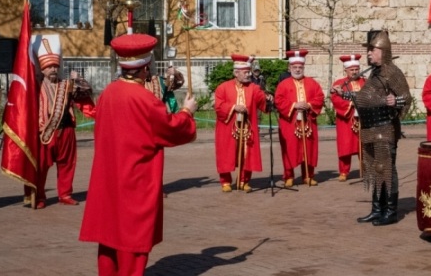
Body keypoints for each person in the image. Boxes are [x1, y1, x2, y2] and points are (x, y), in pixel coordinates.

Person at [79, 33, 197, 276]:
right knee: (133, 242)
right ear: (145, 67)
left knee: (109, 239)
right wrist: (187, 111)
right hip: (136, 179)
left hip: (109, 177)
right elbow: (171, 129)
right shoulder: (143, 98)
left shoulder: (109, 92)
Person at [333, 30, 412, 226]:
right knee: (375, 171)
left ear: (383, 51)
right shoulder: (374, 73)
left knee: (386, 170)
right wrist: (343, 94)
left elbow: (407, 98)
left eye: (372, 50)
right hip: (370, 129)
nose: (368, 54)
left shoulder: (393, 72)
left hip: (385, 128)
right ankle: (377, 210)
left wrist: (397, 101)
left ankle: (391, 212)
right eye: (368, 50)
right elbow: (366, 98)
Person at [30, 35, 95, 208]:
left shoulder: (67, 84)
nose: (52, 69)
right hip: (44, 133)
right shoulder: (35, 86)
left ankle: (65, 194)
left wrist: (78, 78)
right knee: (41, 167)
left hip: (66, 130)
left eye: (55, 66)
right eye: (49, 66)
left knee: (67, 164)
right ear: (42, 69)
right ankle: (40, 197)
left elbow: (87, 92)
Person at [213, 54, 266, 192]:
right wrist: (233, 107)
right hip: (227, 127)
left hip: (248, 127)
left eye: (249, 72)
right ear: (236, 73)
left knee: (247, 154)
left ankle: (244, 180)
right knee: (226, 153)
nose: (249, 75)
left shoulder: (254, 88)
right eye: (245, 72)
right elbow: (218, 106)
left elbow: (262, 102)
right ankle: (225, 182)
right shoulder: (223, 87)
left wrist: (268, 98)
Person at [273, 49, 325, 187]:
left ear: (303, 67)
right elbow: (278, 100)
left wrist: (308, 105)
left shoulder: (312, 83)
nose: (297, 69)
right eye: (294, 67)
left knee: (309, 148)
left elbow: (319, 98)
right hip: (289, 122)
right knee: (289, 148)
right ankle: (288, 176)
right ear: (289, 68)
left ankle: (308, 175)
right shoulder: (283, 84)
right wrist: (294, 105)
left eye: (300, 67)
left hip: (308, 121)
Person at [329, 54, 364, 182]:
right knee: (345, 145)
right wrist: (351, 104)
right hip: (346, 120)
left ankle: (364, 168)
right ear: (346, 70)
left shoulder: (365, 82)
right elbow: (335, 99)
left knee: (364, 145)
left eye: (356, 69)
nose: (354, 72)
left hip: (363, 119)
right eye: (352, 70)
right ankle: (344, 171)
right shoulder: (339, 84)